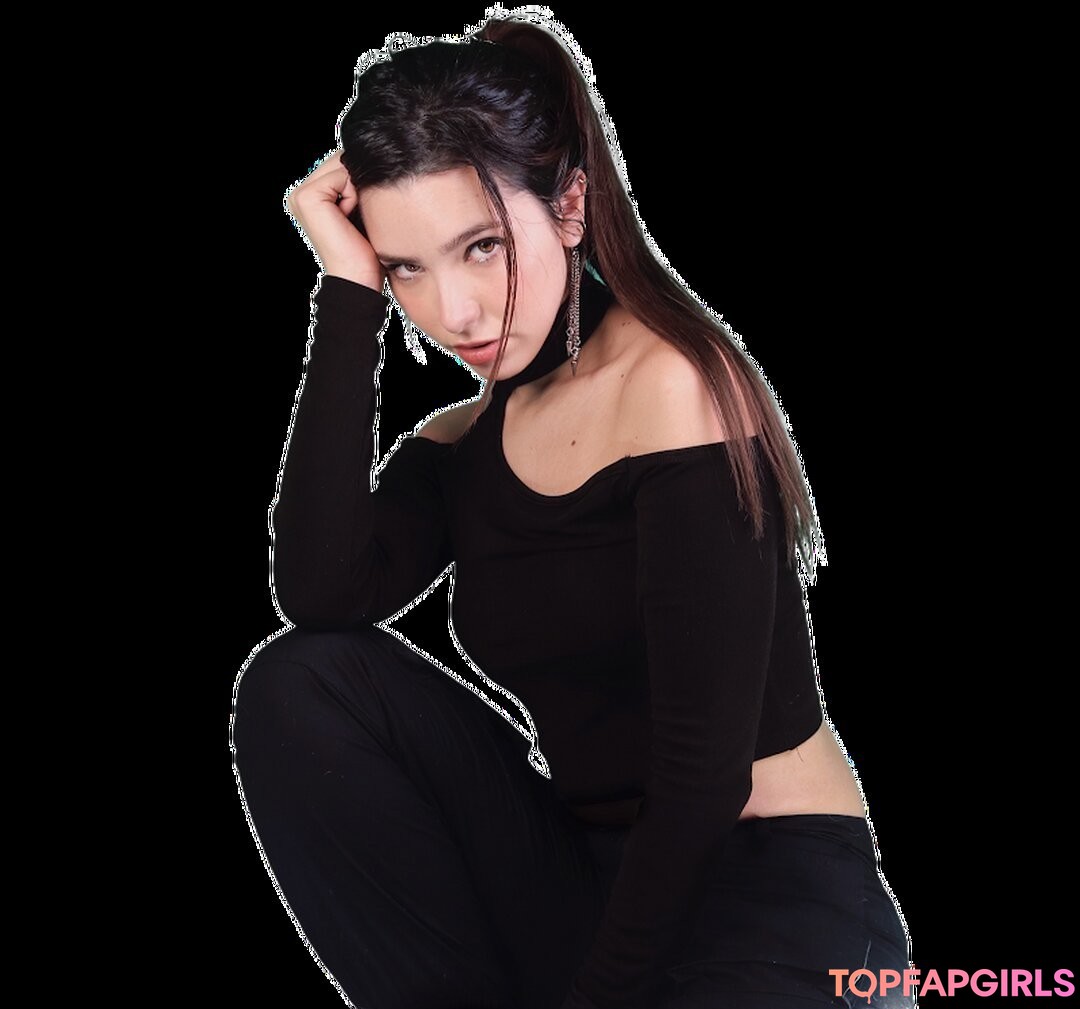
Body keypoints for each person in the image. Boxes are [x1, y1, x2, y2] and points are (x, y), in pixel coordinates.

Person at [231, 10, 913, 1008]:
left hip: (765, 895)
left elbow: (702, 776)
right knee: (302, 684)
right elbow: (322, 593)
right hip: (589, 878)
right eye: (408, 267)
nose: (453, 311)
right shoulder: (465, 440)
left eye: (480, 247)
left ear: (569, 206)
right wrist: (347, 290)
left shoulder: (674, 386)